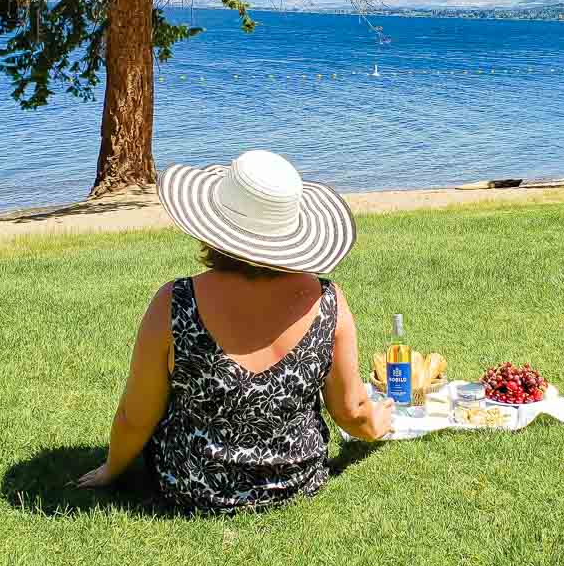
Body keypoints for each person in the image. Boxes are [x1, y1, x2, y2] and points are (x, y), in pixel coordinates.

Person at [76, 150, 393, 513]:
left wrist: (111, 469)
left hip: (192, 485)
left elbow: (136, 417)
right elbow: (351, 411)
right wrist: (378, 423)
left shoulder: (175, 302)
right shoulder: (327, 302)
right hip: (295, 481)